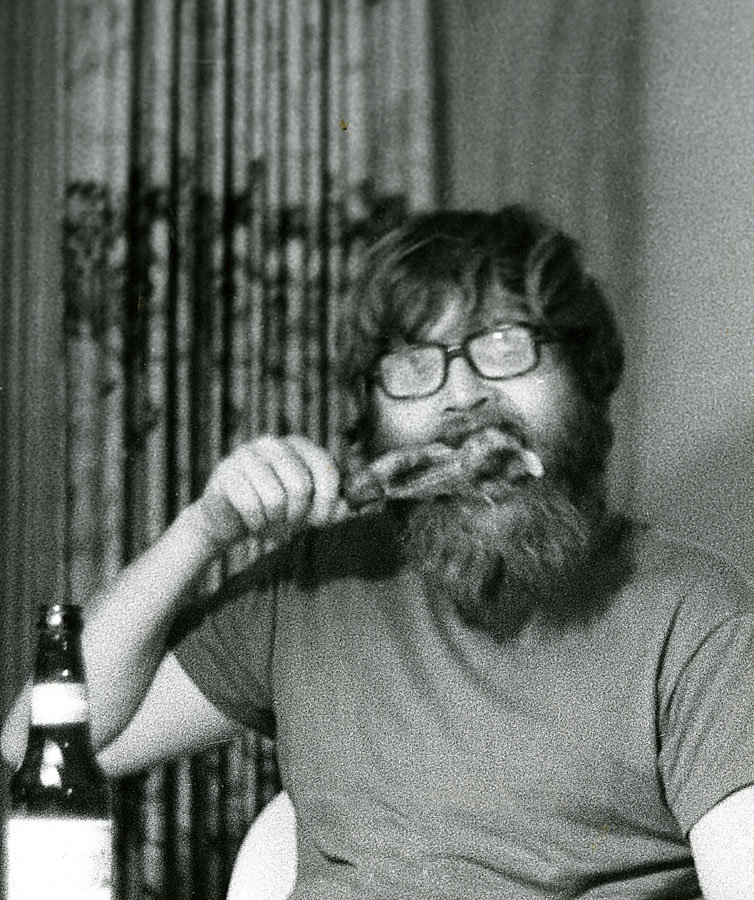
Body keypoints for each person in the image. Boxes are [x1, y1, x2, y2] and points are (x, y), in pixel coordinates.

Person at [3, 206, 754, 899]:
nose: (462, 395)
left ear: (587, 379)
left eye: (506, 344)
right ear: (372, 416)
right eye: (413, 364)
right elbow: (35, 742)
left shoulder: (697, 619)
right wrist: (201, 531)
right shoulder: (316, 582)